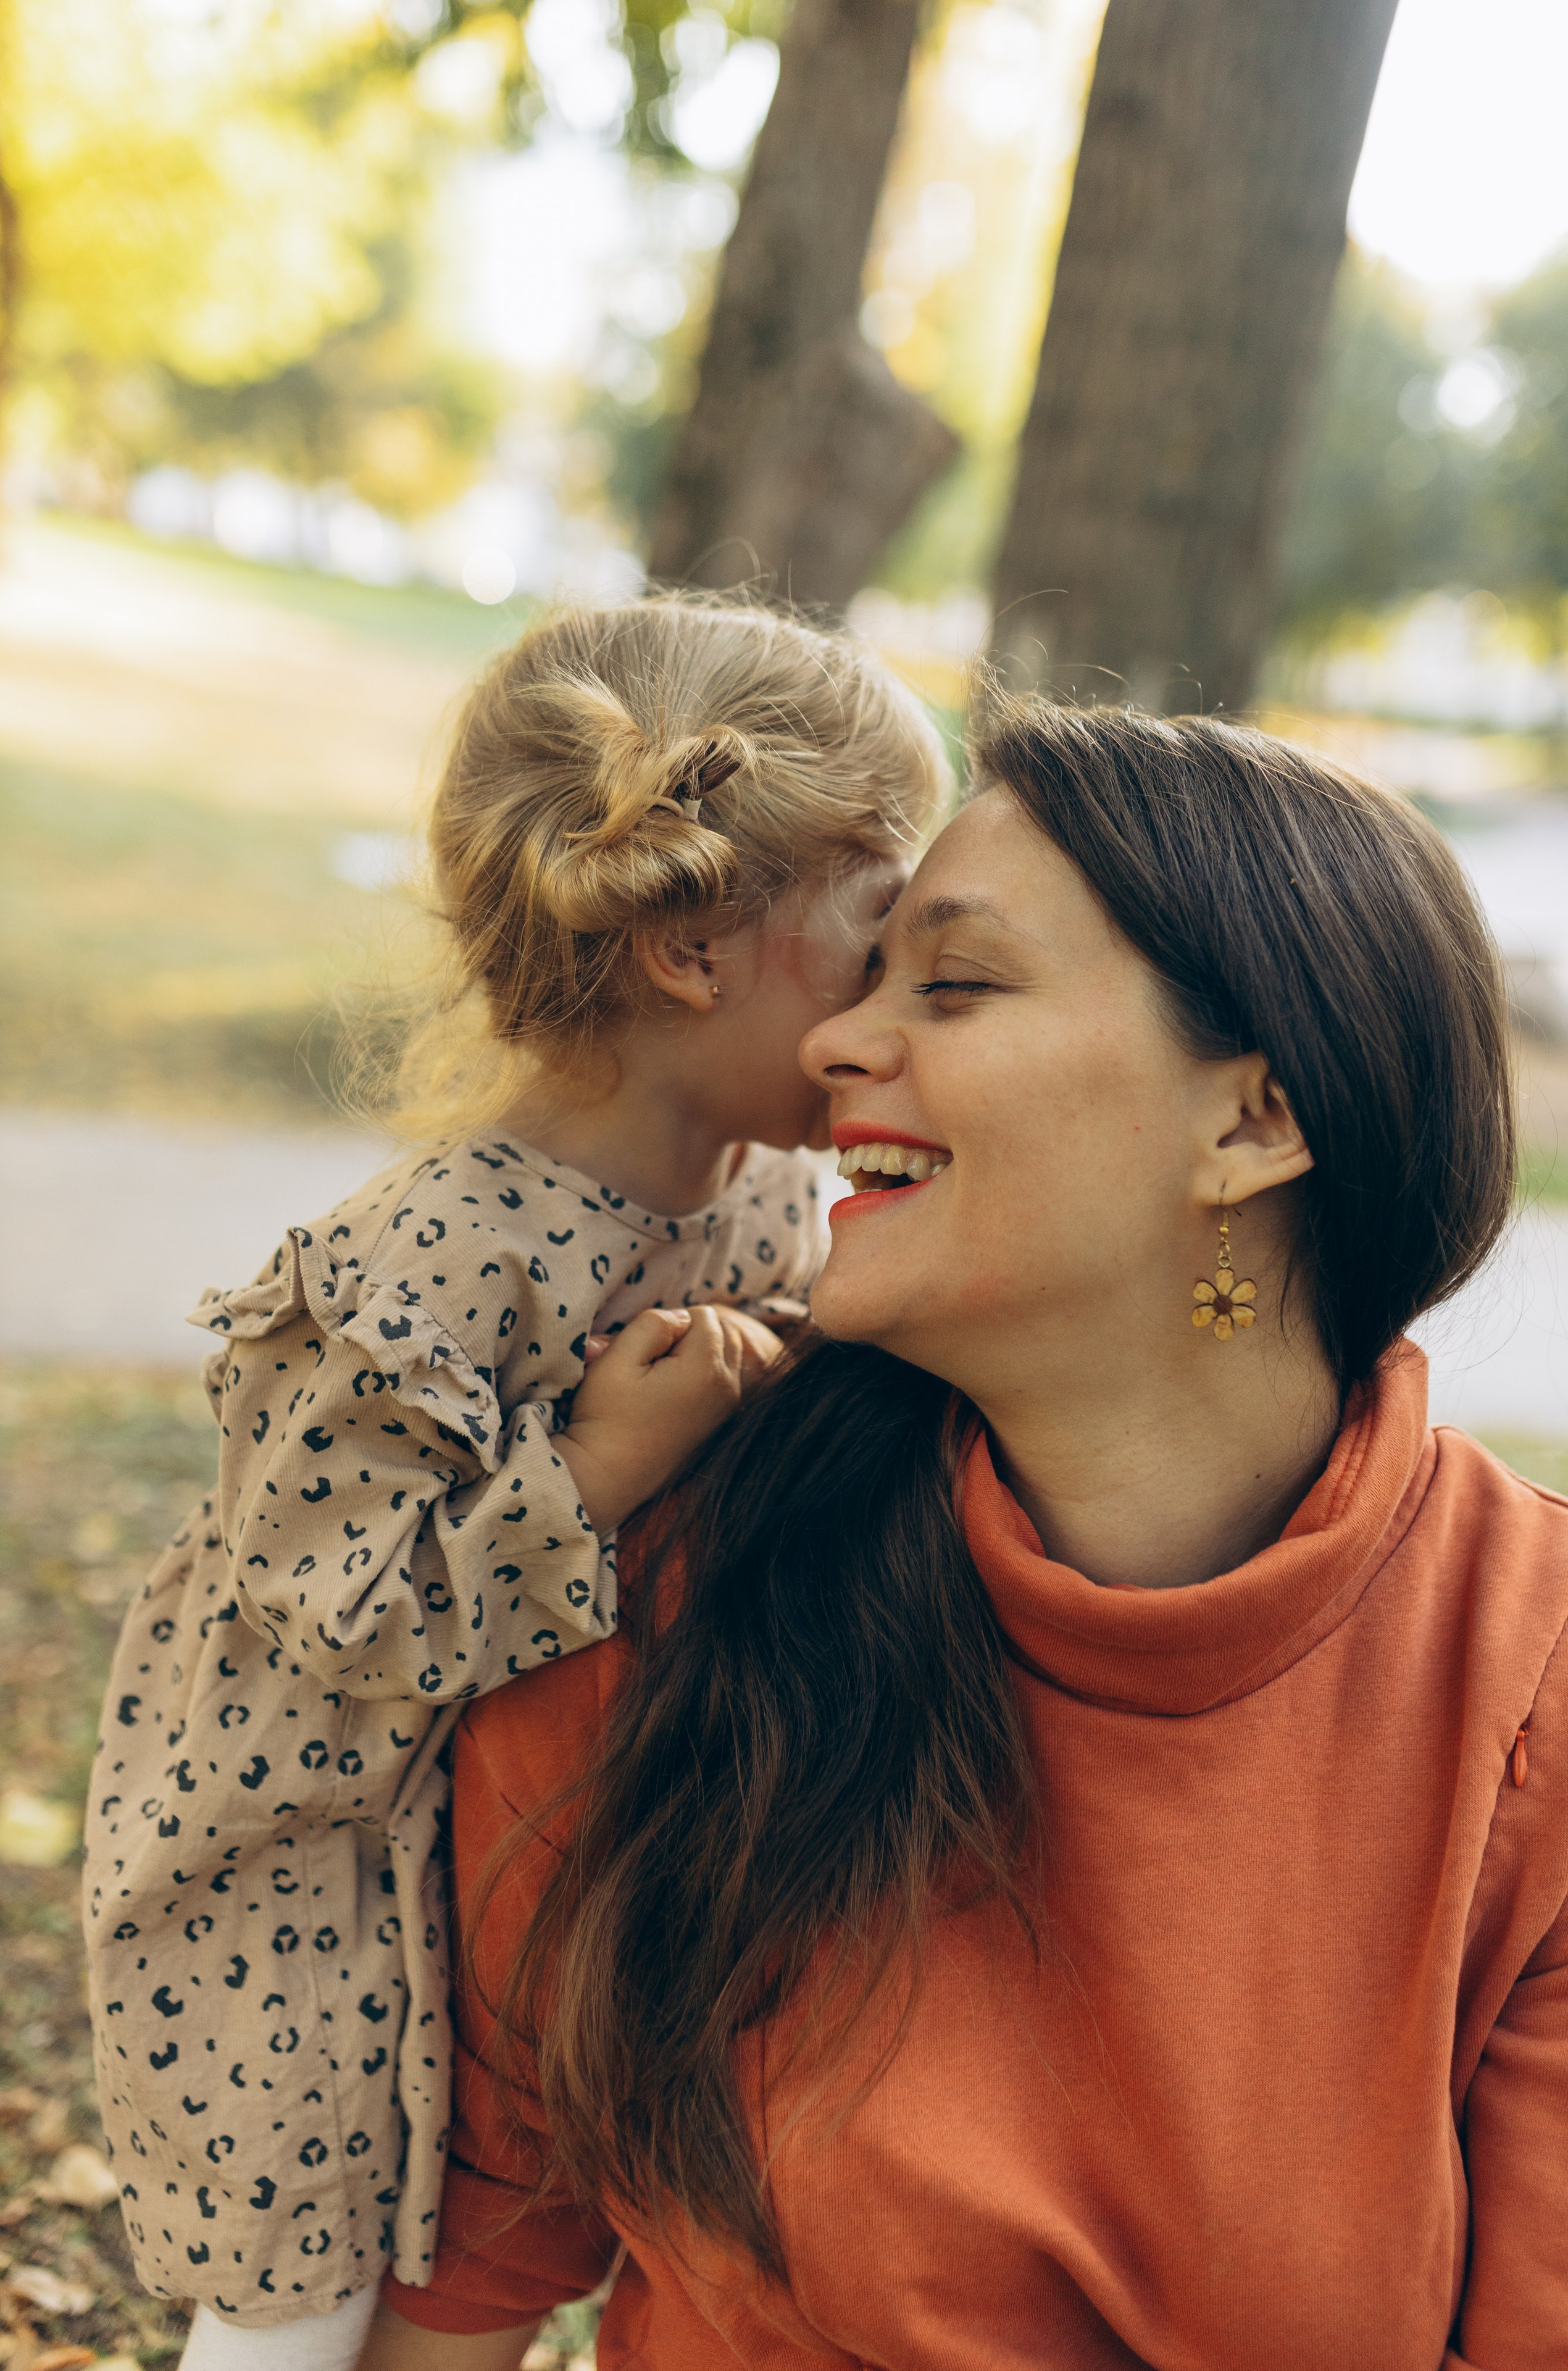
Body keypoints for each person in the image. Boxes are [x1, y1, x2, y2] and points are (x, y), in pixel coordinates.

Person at [364, 697, 1568, 2371]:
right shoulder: (656, 1568)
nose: (837, 1046)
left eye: (955, 984)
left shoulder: (1542, 1693)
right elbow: (480, 2267)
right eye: (868, 983)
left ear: (1254, 1123)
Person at [82, 595, 948, 2371]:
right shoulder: (428, 1266)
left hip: (536, 1839)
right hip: (312, 1883)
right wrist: (599, 1470)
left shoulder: (774, 1197)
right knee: (301, 2316)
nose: (896, 1018)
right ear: (698, 945)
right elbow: (324, 1640)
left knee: (482, 2258)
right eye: (880, 942)